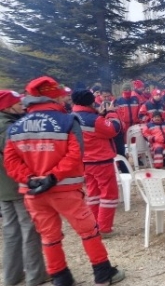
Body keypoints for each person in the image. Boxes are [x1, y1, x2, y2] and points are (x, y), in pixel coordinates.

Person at [3, 76, 124, 286]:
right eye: (61, 96)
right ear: (54, 98)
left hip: (34, 193)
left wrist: (30, 179)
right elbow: (76, 154)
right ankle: (103, 273)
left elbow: (11, 160)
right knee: (88, 232)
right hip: (65, 189)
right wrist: (53, 177)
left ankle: (61, 278)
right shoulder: (68, 121)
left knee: (49, 237)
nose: (64, 100)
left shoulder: (16, 126)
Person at [0, 90, 48, 286]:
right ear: (7, 106)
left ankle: (11, 276)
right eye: (18, 104)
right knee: (30, 229)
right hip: (16, 184)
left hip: (3, 187)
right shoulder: (8, 128)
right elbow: (18, 154)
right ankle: (36, 276)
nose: (22, 106)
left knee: (11, 232)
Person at [72, 90, 122, 237]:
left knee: (93, 195)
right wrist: (112, 114)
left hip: (83, 161)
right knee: (108, 195)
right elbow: (113, 129)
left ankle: (93, 225)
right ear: (91, 102)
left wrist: (99, 115)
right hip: (100, 161)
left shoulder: (71, 117)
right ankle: (104, 228)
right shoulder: (93, 119)